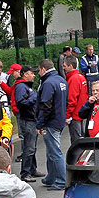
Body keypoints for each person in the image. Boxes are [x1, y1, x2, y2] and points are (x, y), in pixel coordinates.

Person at [36, 59, 68, 190]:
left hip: (51, 122)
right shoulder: (61, 80)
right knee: (51, 151)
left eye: (38, 70)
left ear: (43, 69)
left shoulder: (48, 83)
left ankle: (61, 180)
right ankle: (51, 177)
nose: (38, 73)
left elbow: (46, 105)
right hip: (59, 119)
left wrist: (40, 123)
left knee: (54, 152)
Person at [13, 67, 40, 181]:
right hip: (27, 120)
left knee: (32, 146)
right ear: (24, 74)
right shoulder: (21, 87)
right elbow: (21, 102)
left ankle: (32, 169)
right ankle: (25, 173)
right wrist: (34, 99)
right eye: (31, 73)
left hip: (32, 119)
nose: (34, 75)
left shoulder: (26, 87)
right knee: (29, 147)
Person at [64, 56, 89, 145]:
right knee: (81, 136)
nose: (63, 68)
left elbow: (71, 99)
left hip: (75, 114)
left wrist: (68, 115)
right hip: (81, 112)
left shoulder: (73, 79)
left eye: (65, 65)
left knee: (76, 140)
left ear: (71, 66)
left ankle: (77, 158)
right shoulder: (81, 77)